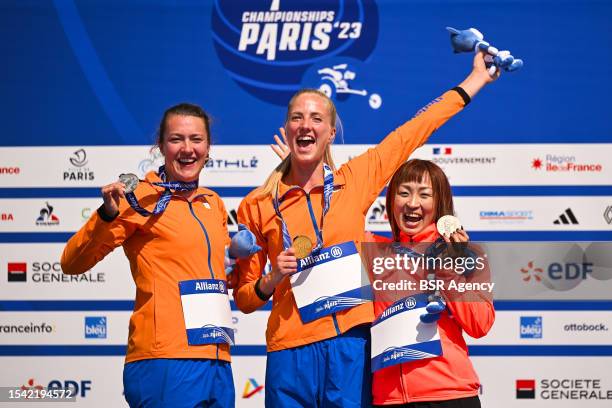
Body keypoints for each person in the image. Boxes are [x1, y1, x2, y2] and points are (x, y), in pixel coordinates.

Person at [234, 51, 498, 407]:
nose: (306, 125)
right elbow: (245, 298)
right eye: (297, 117)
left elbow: (413, 131)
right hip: (289, 350)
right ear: (287, 129)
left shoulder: (355, 181)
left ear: (331, 132)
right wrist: (269, 280)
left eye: (316, 118)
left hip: (349, 348)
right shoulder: (258, 204)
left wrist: (474, 81)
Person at [61, 103, 235, 408]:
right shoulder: (139, 197)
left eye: (196, 139)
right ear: (161, 146)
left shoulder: (214, 204)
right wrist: (106, 215)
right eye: (176, 139)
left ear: (208, 147)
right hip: (164, 359)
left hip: (216, 357)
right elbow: (72, 263)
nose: (187, 148)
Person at [369, 159, 494, 407]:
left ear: (440, 205)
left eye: (424, 195)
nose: (412, 203)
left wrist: (447, 269)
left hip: (450, 394)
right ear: (390, 201)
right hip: (388, 399)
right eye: (403, 193)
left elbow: (480, 325)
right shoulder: (372, 252)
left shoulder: (467, 254)